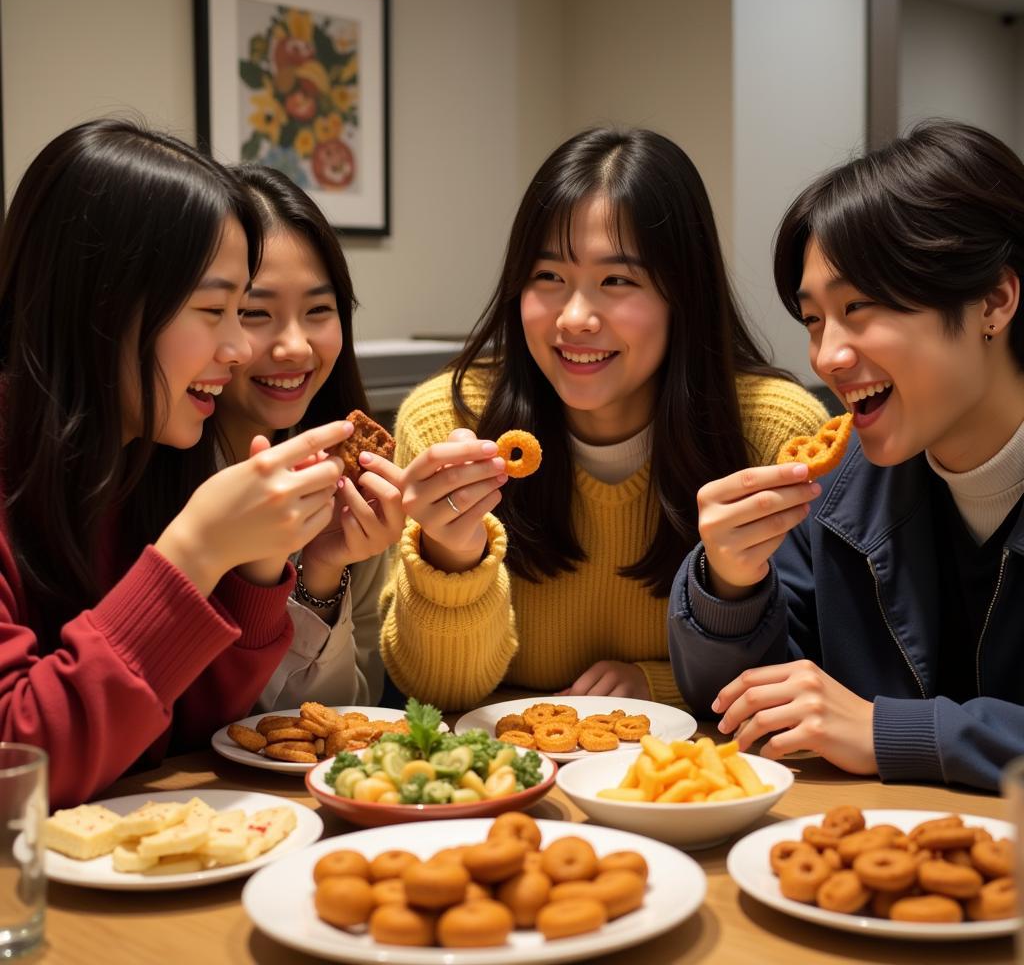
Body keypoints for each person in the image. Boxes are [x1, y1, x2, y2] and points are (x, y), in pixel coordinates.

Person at [375, 127, 828, 710]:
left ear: (682, 293)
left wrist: (659, 687)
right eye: (548, 278)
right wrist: (453, 556)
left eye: (617, 280)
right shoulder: (453, 423)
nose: (575, 318)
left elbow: (812, 661)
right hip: (505, 777)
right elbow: (437, 691)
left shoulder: (772, 433)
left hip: (696, 779)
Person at [0, 120, 350, 806]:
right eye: (217, 310)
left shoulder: (149, 457)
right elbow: (18, 771)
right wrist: (193, 551)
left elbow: (193, 730)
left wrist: (253, 564)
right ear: (103, 306)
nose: (240, 350)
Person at [668, 120, 1024, 792]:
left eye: (860, 307)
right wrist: (728, 586)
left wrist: (896, 733)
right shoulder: (839, 495)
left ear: (994, 301)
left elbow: (867, 729)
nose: (827, 357)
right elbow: (738, 707)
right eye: (813, 320)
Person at [216, 165, 404, 710]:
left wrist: (321, 573)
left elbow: (340, 720)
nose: (296, 346)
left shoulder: (352, 489)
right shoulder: (153, 482)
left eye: (319, 310)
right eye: (255, 313)